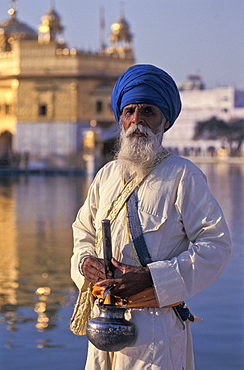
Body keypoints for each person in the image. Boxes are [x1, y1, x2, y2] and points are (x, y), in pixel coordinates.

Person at [71, 64, 231, 370]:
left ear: (164, 121)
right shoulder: (106, 176)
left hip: (155, 333)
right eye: (129, 111)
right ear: (120, 119)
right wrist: (84, 263)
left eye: (148, 111)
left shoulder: (183, 176)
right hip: (103, 322)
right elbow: (83, 232)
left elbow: (216, 245)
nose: (137, 120)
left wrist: (153, 278)